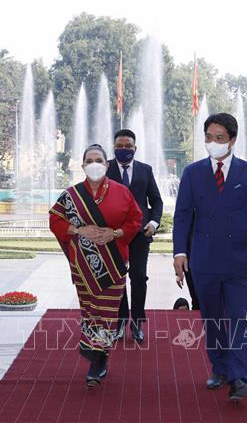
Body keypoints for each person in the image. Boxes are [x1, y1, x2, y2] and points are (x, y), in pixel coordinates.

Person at [173, 113, 247, 401]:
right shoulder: (192, 173)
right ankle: (219, 368)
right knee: (213, 318)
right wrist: (180, 252)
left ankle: (240, 377)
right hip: (203, 259)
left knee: (237, 319)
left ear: (232, 140)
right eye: (208, 137)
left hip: (240, 259)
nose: (213, 143)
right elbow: (181, 216)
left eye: (219, 138)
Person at [49, 144, 142, 387]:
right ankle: (97, 358)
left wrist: (116, 233)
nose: (94, 164)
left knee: (108, 313)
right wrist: (78, 229)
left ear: (107, 164)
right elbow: (55, 220)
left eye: (98, 160)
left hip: (113, 264)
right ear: (82, 165)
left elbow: (135, 219)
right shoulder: (71, 196)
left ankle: (98, 358)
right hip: (84, 266)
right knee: (90, 312)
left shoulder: (122, 193)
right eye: (89, 160)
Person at [106, 129, 163, 343]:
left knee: (138, 277)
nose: (123, 150)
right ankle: (120, 320)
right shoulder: (105, 168)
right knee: (117, 278)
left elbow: (156, 201)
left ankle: (137, 321)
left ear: (135, 148)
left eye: (127, 146)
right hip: (113, 235)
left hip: (140, 233)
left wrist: (154, 222)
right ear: (114, 148)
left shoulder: (145, 170)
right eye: (119, 146)